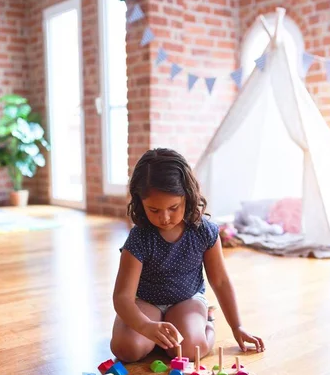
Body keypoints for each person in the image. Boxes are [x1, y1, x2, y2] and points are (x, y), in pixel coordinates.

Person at [111, 148, 265, 362]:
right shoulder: (139, 238)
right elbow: (122, 297)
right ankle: (152, 335)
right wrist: (145, 326)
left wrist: (237, 326)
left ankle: (207, 322)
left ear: (188, 195)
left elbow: (220, 281)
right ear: (140, 202)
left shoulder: (204, 231)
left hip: (187, 301)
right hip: (146, 302)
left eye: (173, 207)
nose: (164, 218)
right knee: (126, 349)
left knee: (190, 351)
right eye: (154, 210)